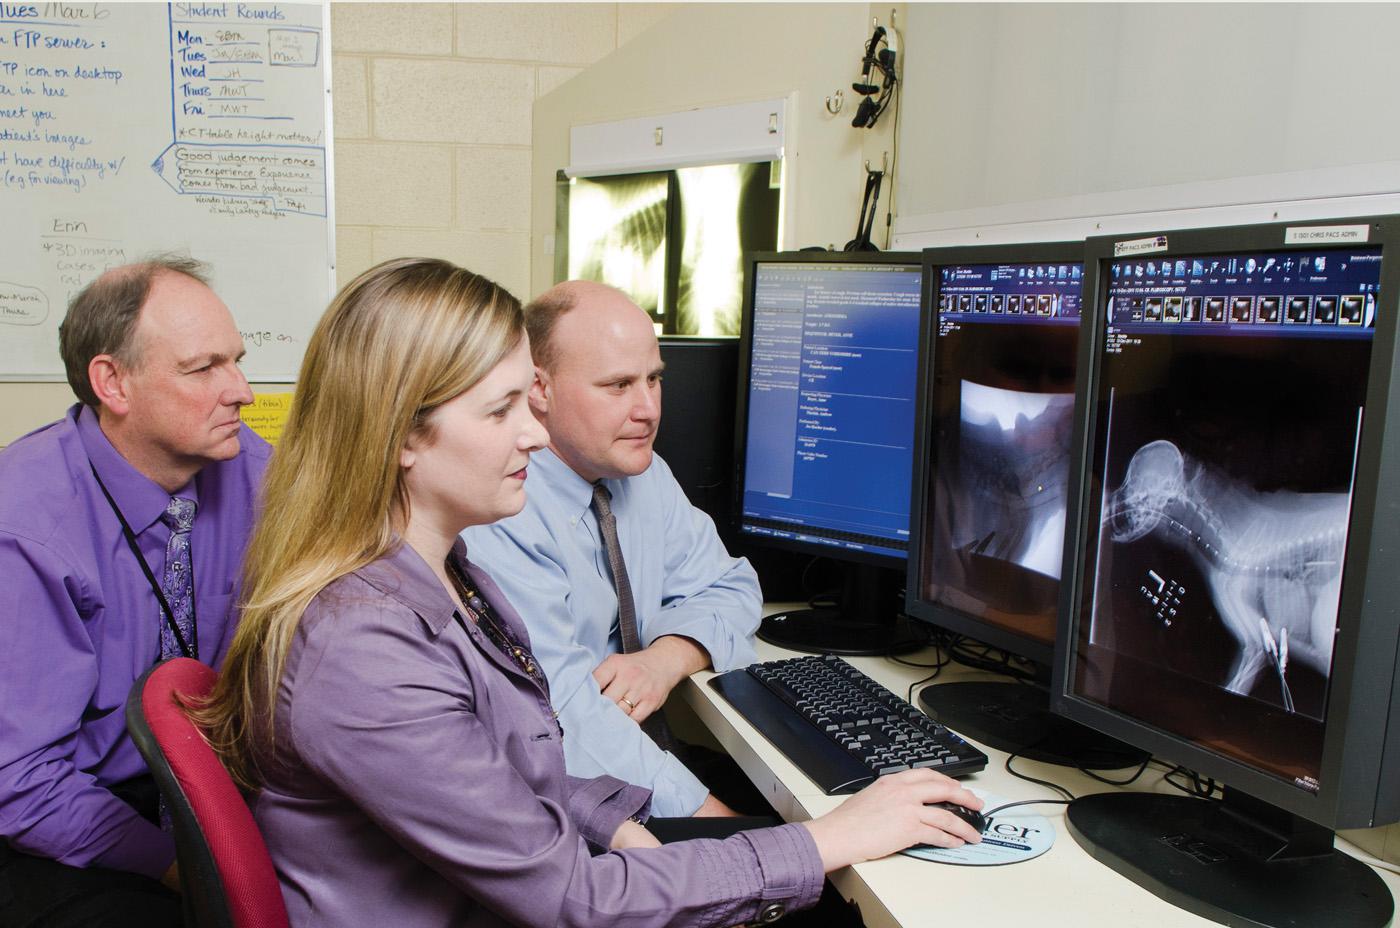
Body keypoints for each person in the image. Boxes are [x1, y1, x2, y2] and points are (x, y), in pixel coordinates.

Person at [196, 257, 982, 928]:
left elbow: (497, 770)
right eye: (502, 409)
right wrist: (822, 840)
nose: (533, 433)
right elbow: (574, 901)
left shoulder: (441, 570)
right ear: (403, 434)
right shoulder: (362, 644)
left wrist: (611, 815)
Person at [0, 257, 269, 927]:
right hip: (70, 814)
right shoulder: (26, 526)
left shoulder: (257, 470)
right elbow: (21, 781)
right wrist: (191, 867)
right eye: (204, 368)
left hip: (215, 786)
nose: (242, 391)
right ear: (112, 382)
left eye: (236, 361)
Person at [462, 280, 759, 818]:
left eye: (654, 379)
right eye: (618, 385)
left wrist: (665, 658)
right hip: (574, 797)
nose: (647, 409)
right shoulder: (500, 507)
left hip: (646, 760)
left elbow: (731, 586)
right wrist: (728, 830)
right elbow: (565, 718)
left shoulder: (642, 473)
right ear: (539, 389)